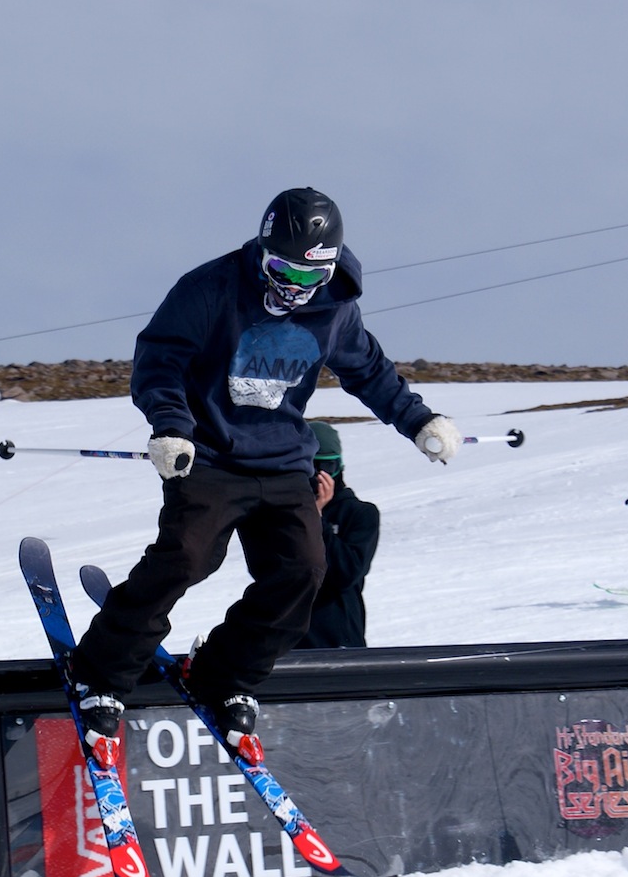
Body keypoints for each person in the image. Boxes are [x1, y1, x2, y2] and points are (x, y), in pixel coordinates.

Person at [68, 188, 460, 763]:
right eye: (282, 269)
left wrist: (420, 420)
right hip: (210, 456)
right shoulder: (211, 288)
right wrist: (172, 426)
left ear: (330, 267)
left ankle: (225, 672)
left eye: (309, 275)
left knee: (303, 571)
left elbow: (370, 372)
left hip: (282, 462)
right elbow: (159, 359)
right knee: (188, 558)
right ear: (262, 250)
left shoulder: (337, 308)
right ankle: (101, 671)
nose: (294, 287)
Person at [296, 420, 381, 649]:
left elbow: (346, 573)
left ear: (340, 467)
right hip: (285, 637)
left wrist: (316, 521)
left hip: (337, 638)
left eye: (328, 466)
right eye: (312, 467)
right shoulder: (284, 514)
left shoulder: (360, 513)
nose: (320, 477)